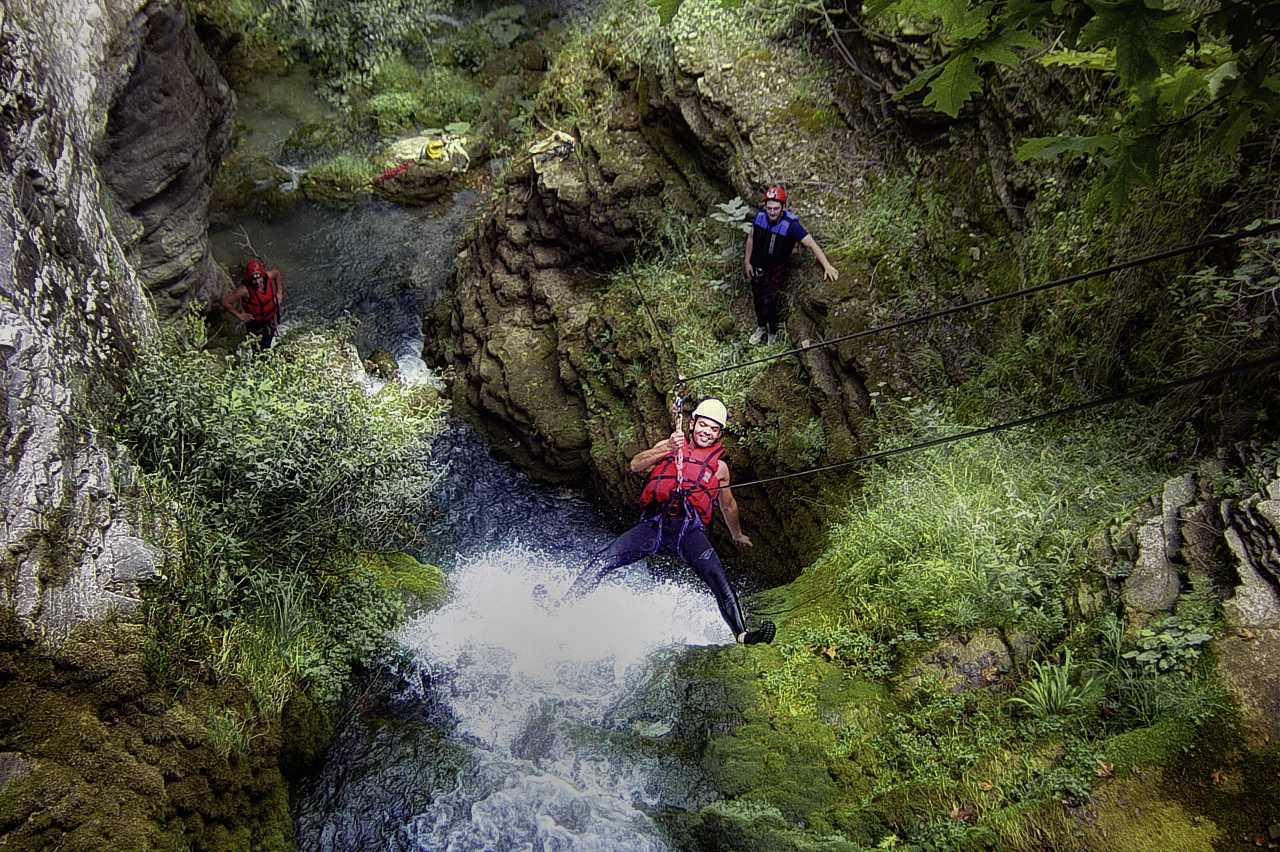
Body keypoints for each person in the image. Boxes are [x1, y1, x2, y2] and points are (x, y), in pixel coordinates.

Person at [567, 398, 776, 646]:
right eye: (703, 425)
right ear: (692, 424)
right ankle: (565, 605)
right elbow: (636, 465)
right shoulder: (669, 446)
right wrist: (667, 448)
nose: (706, 432)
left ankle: (742, 635)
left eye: (713, 429)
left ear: (719, 434)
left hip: (688, 533)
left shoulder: (720, 468)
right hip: (654, 526)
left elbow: (728, 504)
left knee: (719, 580)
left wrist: (737, 535)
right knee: (604, 558)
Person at [743, 184, 839, 345]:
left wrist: (827, 265)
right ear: (765, 206)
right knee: (757, 298)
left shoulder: (791, 225)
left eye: (776, 208)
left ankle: (772, 332)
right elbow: (751, 238)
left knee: (769, 301)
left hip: (776, 269)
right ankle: (761, 327)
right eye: (769, 208)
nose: (772, 212)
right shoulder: (759, 216)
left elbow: (811, 244)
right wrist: (747, 261)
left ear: (783, 207)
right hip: (757, 264)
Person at [222, 259, 284, 348]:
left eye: (259, 278)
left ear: (262, 274)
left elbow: (277, 273)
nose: (258, 282)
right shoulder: (244, 290)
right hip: (255, 324)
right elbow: (225, 302)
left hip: (270, 319)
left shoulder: (269, 275)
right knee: (257, 348)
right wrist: (239, 315)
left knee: (268, 342)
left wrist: (279, 292)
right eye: (254, 279)